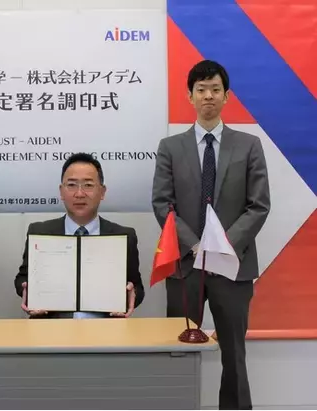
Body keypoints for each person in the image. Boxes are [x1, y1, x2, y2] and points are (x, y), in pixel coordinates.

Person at [152, 60, 270, 409]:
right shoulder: (170, 147)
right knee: (176, 350)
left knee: (234, 355)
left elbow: (259, 205)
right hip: (185, 267)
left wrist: (222, 245)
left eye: (215, 89)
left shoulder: (249, 145)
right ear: (189, 96)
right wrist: (195, 244)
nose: (208, 96)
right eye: (201, 90)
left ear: (226, 96)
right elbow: (162, 204)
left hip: (233, 267)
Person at [14, 152, 145, 318]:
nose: (79, 194)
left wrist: (131, 295)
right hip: (51, 327)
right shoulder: (40, 232)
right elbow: (22, 279)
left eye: (88, 185)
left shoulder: (124, 236)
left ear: (102, 192)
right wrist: (28, 291)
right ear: (61, 191)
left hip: (106, 328)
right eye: (72, 185)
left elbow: (136, 286)